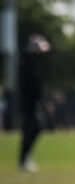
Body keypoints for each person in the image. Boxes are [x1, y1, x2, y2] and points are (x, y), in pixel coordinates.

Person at [18, 34, 50, 172]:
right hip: (30, 103)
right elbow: (34, 88)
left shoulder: (29, 63)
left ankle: (25, 157)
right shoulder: (29, 65)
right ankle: (24, 158)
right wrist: (42, 102)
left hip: (31, 103)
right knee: (33, 128)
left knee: (33, 128)